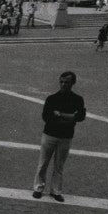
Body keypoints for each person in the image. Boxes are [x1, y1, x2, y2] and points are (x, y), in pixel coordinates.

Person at [32, 71, 86, 203]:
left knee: (59, 165)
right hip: (51, 134)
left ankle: (56, 191)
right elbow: (46, 116)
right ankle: (38, 188)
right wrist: (69, 117)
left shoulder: (77, 99)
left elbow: (80, 117)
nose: (63, 84)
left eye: (66, 82)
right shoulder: (52, 98)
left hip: (64, 136)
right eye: (61, 82)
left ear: (72, 83)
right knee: (43, 163)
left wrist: (59, 115)